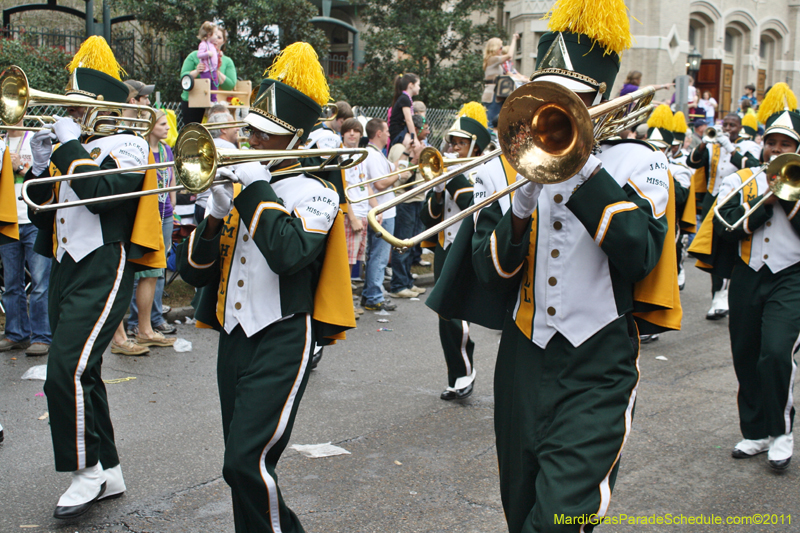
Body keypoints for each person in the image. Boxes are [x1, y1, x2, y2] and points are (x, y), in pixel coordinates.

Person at [431, 6, 680, 527]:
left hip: (599, 358)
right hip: (524, 356)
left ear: (603, 103)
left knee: (563, 515)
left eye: (571, 102)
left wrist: (580, 165)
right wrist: (519, 208)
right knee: (520, 507)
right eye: (546, 97)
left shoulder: (638, 160)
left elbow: (639, 251)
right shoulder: (509, 161)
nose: (553, 110)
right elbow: (488, 270)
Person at [177, 42, 355, 532]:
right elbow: (191, 273)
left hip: (281, 337)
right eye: (252, 129)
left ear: (295, 143)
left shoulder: (317, 191)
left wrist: (253, 185)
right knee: (240, 467)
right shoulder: (240, 188)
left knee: (245, 462)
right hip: (233, 338)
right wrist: (213, 215)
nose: (253, 139)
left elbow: (289, 253)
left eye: (266, 135)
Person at [23, 36, 165, 519]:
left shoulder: (124, 142)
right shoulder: (76, 146)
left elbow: (106, 195)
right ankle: (108, 466)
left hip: (104, 264)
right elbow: (47, 218)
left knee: (66, 369)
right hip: (67, 266)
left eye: (81, 102)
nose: (75, 110)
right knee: (86, 372)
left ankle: (85, 473)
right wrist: (42, 166)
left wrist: (67, 147)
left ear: (100, 103)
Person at [691, 82, 799, 471]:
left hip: (792, 277)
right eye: (772, 143)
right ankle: (755, 431)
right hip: (748, 275)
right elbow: (723, 224)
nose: (776, 151)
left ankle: (782, 430)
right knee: (746, 354)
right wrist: (763, 202)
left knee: (775, 351)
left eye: (785, 145)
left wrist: (789, 198)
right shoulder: (743, 179)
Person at [421, 102, 492, 401]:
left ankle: (465, 372)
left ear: (474, 146)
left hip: (470, 247)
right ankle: (459, 374)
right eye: (453, 142)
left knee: (456, 310)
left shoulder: (486, 171)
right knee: (445, 314)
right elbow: (429, 219)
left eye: (461, 143)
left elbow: (472, 207)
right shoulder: (447, 171)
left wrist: (450, 180)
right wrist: (437, 191)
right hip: (445, 247)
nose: (454, 148)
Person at [686, 113, 752, 319]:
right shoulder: (713, 145)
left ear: (739, 127)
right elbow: (693, 162)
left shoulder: (747, 146)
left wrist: (731, 148)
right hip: (712, 202)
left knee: (735, 248)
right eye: (727, 125)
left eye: (733, 125)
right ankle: (718, 296)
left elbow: (752, 167)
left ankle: (730, 294)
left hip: (737, 203)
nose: (730, 128)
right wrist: (704, 144)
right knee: (715, 247)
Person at [125, 110, 177, 345]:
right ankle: (136, 321)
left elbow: (171, 178)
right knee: (143, 270)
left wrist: (172, 205)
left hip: (165, 214)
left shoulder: (166, 150)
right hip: (147, 214)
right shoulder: (140, 148)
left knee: (158, 269)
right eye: (163, 124)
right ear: (150, 126)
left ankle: (155, 318)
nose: (168, 128)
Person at [0, 123, 52, 356]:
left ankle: (42, 336)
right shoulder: (1, 143)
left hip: (33, 220)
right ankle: (16, 333)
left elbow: (43, 178)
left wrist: (19, 166)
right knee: (12, 283)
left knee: (41, 283)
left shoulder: (35, 140)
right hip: (7, 221)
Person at [362, 118, 409, 311]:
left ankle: (369, 294)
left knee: (377, 255)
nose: (390, 134)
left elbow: (389, 172)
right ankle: (374, 296)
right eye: (387, 131)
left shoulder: (376, 154)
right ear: (379, 133)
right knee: (379, 256)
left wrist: (405, 156)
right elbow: (380, 184)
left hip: (384, 210)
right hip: (382, 211)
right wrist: (399, 176)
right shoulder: (372, 156)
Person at [387, 113, 428, 298]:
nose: (427, 132)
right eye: (424, 128)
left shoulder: (419, 147)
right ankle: (398, 285)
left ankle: (407, 281)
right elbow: (401, 179)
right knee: (402, 244)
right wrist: (415, 158)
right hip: (405, 202)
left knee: (411, 245)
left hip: (417, 199)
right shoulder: (398, 148)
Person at [340, 117, 376, 317]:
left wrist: (376, 209)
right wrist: (352, 217)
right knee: (346, 262)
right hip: (351, 216)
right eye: (348, 131)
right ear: (343, 134)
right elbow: (342, 189)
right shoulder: (341, 156)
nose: (352, 134)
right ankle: (344, 305)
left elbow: (367, 185)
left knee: (354, 262)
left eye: (356, 130)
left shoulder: (361, 155)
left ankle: (348, 301)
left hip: (363, 213)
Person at [179, 26, 237, 125]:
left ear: (223, 41)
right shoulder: (194, 56)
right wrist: (197, 71)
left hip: (216, 104)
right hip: (193, 103)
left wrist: (215, 70)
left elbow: (230, 85)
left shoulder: (227, 61)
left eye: (219, 37)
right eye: (213, 35)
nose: (215, 39)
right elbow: (183, 78)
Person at [196, 110, 240, 222]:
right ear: (223, 129)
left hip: (200, 204)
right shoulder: (228, 147)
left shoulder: (204, 145)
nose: (237, 128)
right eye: (233, 124)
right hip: (216, 204)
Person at [482, 34, 519, 127]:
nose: (501, 50)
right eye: (500, 47)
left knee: (496, 121)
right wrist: (514, 39)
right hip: (492, 95)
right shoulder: (492, 59)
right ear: (495, 48)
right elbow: (509, 55)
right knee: (491, 122)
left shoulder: (494, 62)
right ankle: (490, 140)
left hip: (497, 95)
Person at [388, 73, 421, 148]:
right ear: (411, 85)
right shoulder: (404, 99)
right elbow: (408, 120)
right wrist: (414, 138)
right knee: (415, 147)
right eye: (418, 85)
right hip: (398, 133)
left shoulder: (405, 98)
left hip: (401, 131)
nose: (419, 88)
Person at [197, 21, 220, 102]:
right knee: (207, 86)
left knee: (215, 85)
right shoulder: (203, 44)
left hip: (213, 70)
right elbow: (199, 55)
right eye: (215, 34)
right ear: (209, 34)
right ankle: (207, 100)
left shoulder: (211, 45)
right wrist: (207, 54)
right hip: (206, 70)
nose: (217, 36)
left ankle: (214, 100)